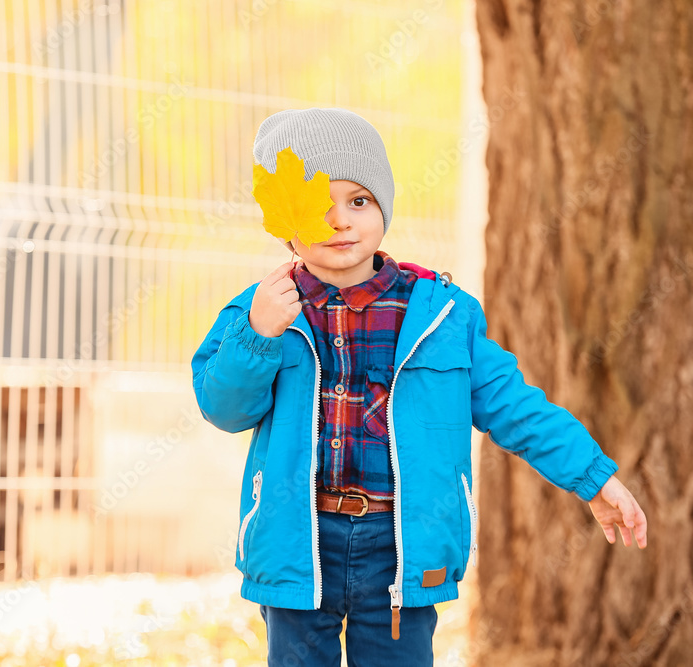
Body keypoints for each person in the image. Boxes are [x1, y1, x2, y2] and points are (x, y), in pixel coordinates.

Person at [189, 108, 648, 666]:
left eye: (358, 201)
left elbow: (516, 407)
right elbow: (224, 408)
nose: (339, 220)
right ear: (283, 217)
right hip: (296, 547)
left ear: (382, 205)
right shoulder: (258, 311)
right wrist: (259, 335)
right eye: (318, 204)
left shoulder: (443, 315)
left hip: (401, 547)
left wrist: (593, 479)